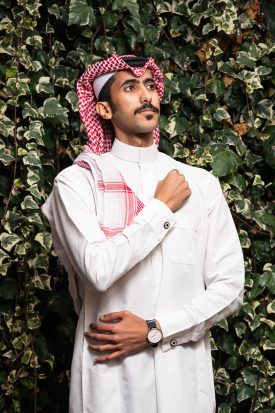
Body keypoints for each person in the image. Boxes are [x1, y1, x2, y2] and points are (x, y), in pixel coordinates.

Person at [42, 53, 244, 413]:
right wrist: (161, 208)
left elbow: (228, 286)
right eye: (131, 87)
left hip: (183, 381)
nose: (146, 95)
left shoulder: (200, 183)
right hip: (109, 384)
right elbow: (98, 268)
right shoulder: (78, 182)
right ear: (103, 109)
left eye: (150, 86)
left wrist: (157, 329)